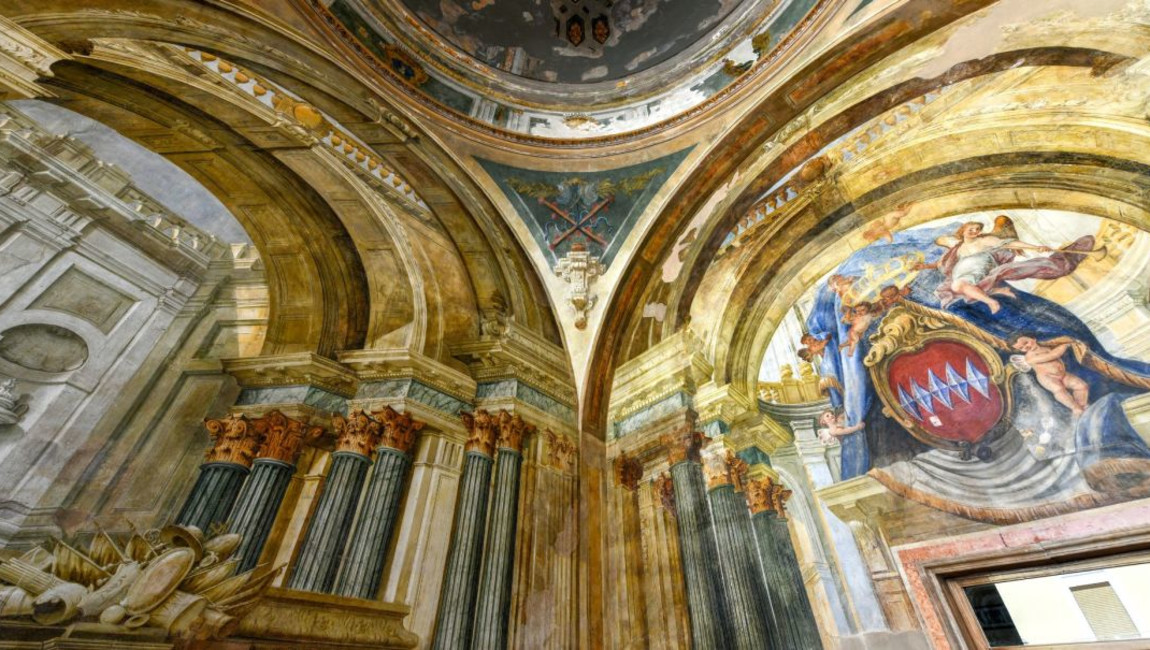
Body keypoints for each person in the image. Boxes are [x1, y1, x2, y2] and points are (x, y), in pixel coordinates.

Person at [1011, 333, 1090, 416]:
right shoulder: (1029, 357)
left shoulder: (1047, 347)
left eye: (1026, 343)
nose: (1025, 347)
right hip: (1047, 377)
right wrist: (1065, 345)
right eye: (1021, 348)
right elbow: (1052, 355)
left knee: (1082, 386)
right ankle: (1075, 408)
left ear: (1033, 339)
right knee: (1059, 389)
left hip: (1062, 374)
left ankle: (1081, 406)